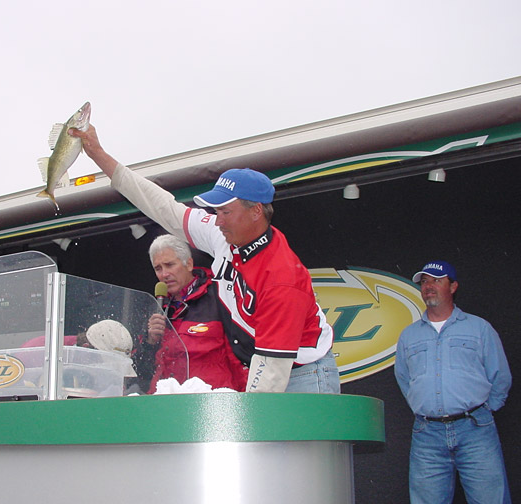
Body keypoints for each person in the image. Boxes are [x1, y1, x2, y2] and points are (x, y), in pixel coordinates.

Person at [69, 125, 339, 393]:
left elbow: (271, 370)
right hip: (265, 367)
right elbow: (164, 208)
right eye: (215, 211)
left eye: (225, 212)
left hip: (303, 373)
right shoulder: (223, 235)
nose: (217, 221)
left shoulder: (281, 277)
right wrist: (98, 154)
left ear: (256, 211)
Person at [394, 261, 512, 504]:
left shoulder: (479, 328)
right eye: (424, 281)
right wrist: (425, 406)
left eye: (437, 280)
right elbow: (404, 379)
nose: (429, 286)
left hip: (475, 430)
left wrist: (483, 411)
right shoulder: (409, 335)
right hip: (427, 434)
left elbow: (500, 375)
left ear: (453, 286)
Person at [133, 234, 248, 392]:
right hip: (164, 399)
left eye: (170, 265)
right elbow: (140, 372)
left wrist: (249, 396)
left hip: (209, 398)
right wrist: (149, 342)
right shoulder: (156, 307)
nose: (164, 274)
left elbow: (240, 355)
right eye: (158, 268)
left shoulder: (219, 296)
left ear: (189, 264)